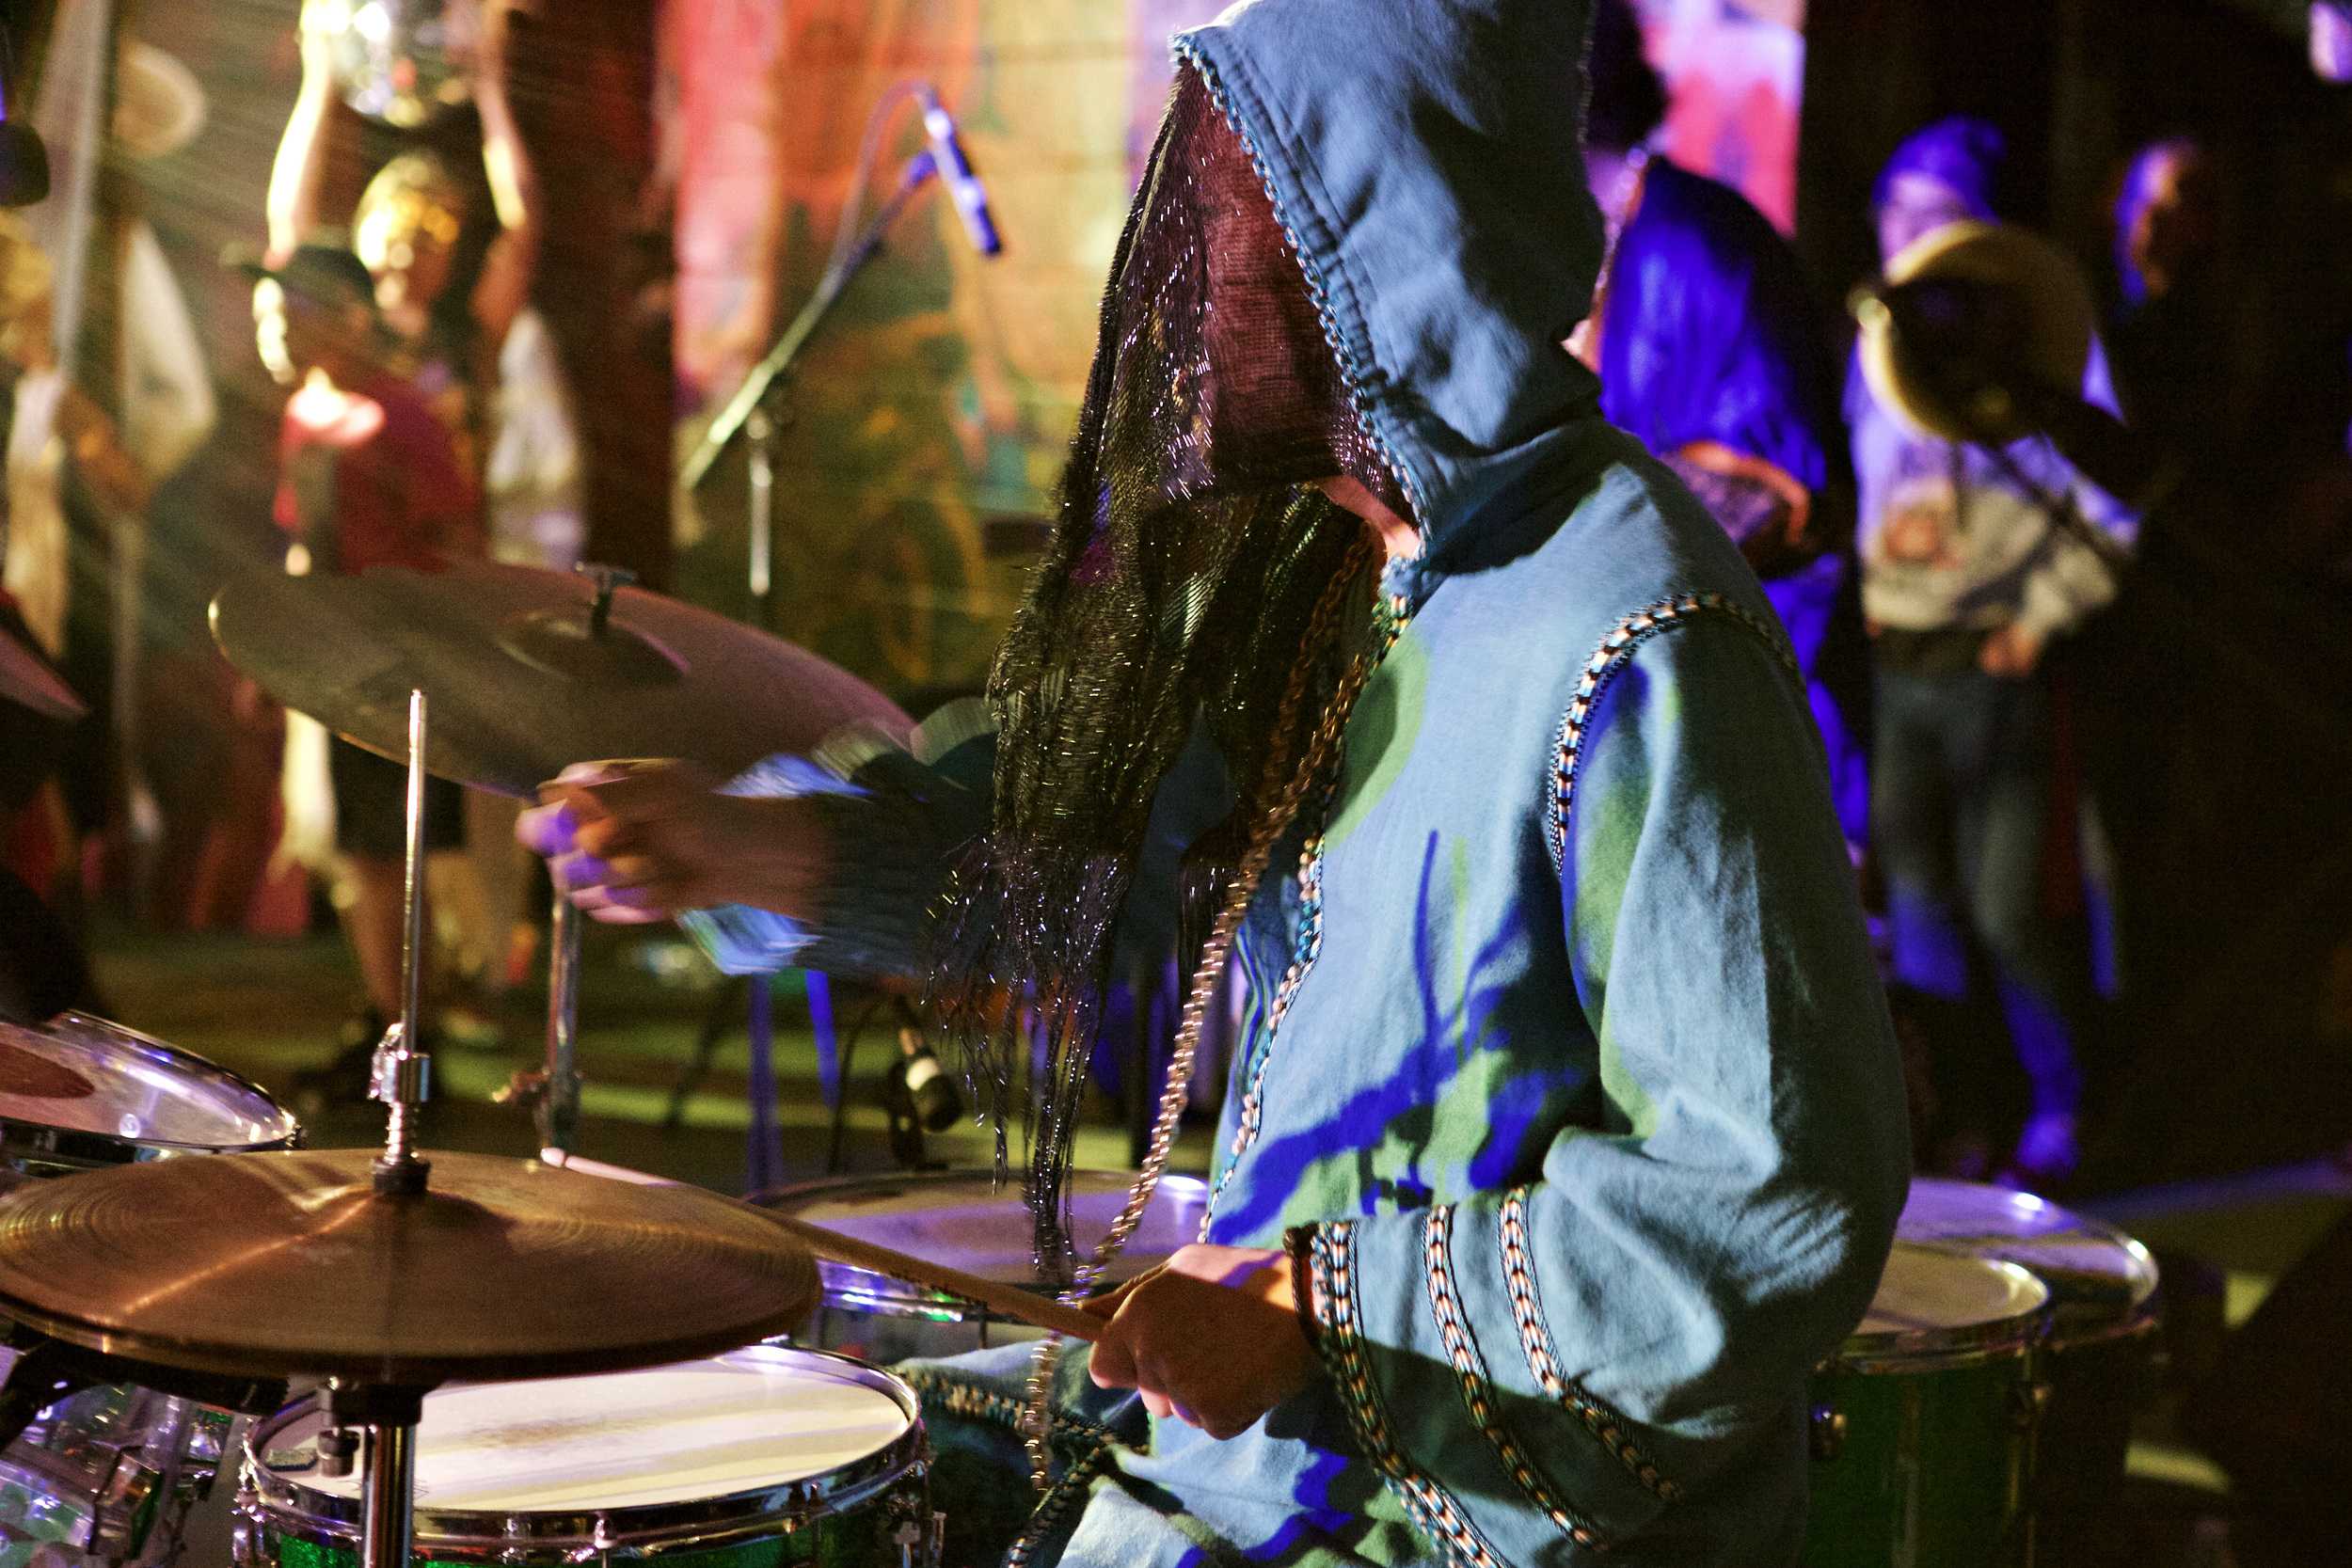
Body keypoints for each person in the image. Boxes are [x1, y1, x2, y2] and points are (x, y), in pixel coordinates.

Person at [526, 3, 1909, 1564]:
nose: (1169, 277)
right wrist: (755, 852)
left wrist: (1320, 1295)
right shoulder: (1329, 575)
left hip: (1460, 1517)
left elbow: (1771, 1201)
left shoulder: (1638, 626)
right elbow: (1089, 845)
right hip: (1270, 1461)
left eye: (1222, 211)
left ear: (1377, 234)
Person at [269, 0, 578, 1011]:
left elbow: (528, 223)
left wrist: (489, 83)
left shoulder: (463, 341)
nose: (416, 246)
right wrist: (320, 78)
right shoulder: (341, 336)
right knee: (365, 824)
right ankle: (389, 1006)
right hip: (354, 605)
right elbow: (288, 233)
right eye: (399, 228)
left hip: (449, 602)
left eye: (437, 231)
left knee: (458, 816)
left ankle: (447, 991)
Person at [1851, 118, 2137, 1184]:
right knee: (1919, 915)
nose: (1909, 235)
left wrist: (2040, 617)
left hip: (1995, 663)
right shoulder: (1881, 345)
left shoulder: (2033, 331)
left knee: (2012, 905)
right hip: (1904, 664)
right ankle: (1958, 1118)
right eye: (1898, 212)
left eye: (1934, 213)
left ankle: (2058, 1106)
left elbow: (2113, 509)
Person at [1576, 0, 1867, 847]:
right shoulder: (1605, 234)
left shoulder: (1695, 246)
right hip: (1654, 693)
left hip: (1741, 695)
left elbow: (1776, 492)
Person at [247, 243, 479, 1101]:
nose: (272, 321)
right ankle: (386, 1023)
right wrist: (276, 656)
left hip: (404, 662)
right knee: (357, 853)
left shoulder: (401, 414)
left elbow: (455, 541)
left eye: (290, 303)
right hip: (336, 660)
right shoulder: (306, 412)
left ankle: (405, 1036)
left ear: (346, 314)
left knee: (391, 853)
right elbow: (304, 544)